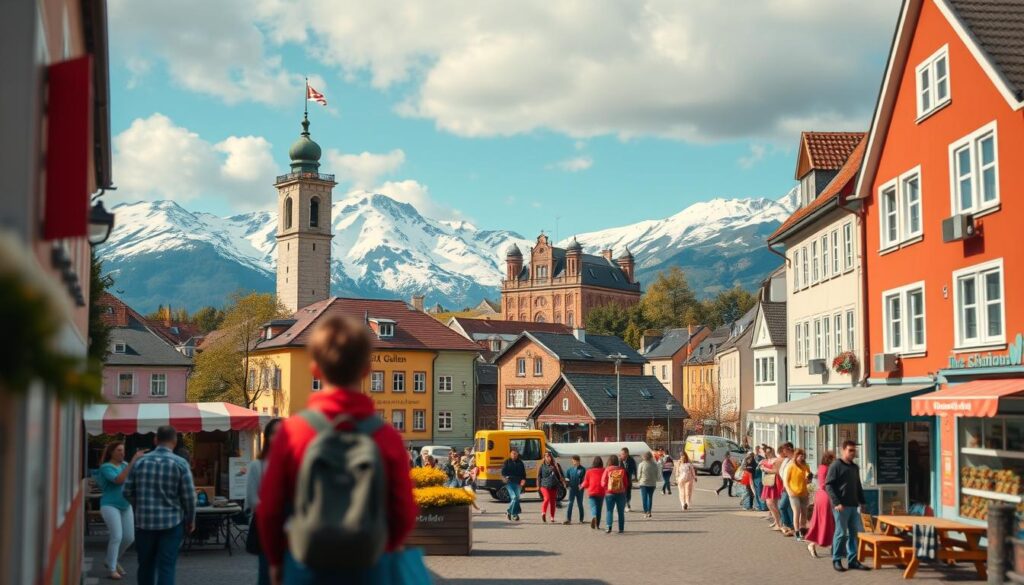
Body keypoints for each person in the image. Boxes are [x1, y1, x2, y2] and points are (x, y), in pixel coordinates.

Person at [256, 315, 417, 585]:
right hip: (370, 564)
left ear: (316, 370)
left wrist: (275, 560)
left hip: (306, 562)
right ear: (366, 370)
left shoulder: (293, 431)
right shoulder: (385, 435)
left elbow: (270, 508)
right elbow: (404, 510)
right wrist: (387, 547)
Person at [124, 426, 196, 585]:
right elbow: (190, 497)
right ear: (175, 441)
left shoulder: (140, 462)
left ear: (155, 440)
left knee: (145, 565)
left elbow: (126, 491)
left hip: (144, 524)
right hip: (172, 524)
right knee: (166, 566)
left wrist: (140, 505)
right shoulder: (181, 463)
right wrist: (190, 520)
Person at [96, 441, 144, 580]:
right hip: (109, 505)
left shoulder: (124, 465)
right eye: (118, 450)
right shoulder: (106, 467)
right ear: (111, 452)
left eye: (123, 450)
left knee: (129, 537)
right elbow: (119, 480)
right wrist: (133, 460)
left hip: (125, 505)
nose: (122, 453)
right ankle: (111, 568)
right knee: (117, 536)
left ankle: (112, 560)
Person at [246, 418, 282, 585]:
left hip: (291, 532)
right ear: (267, 437)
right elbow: (253, 499)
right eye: (275, 433)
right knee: (266, 576)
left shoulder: (296, 463)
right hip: (267, 529)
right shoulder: (257, 466)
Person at [825, 441, 869, 572]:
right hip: (841, 507)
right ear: (843, 450)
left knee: (853, 534)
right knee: (841, 533)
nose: (852, 453)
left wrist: (863, 501)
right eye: (850, 450)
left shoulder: (854, 467)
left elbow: (858, 485)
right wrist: (836, 502)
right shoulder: (836, 465)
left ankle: (853, 560)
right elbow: (829, 485)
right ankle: (836, 559)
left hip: (853, 505)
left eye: (854, 450)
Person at [805, 451, 837, 558]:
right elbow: (823, 484)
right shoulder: (824, 468)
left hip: (826, 496)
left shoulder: (826, 468)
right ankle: (813, 544)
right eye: (833, 458)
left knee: (829, 522)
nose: (835, 460)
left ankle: (832, 545)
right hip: (825, 497)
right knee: (824, 522)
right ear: (828, 459)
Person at [785, 448, 812, 540]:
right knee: (797, 512)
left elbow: (808, 480)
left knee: (804, 512)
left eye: (803, 456)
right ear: (796, 456)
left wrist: (809, 479)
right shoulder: (791, 466)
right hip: (793, 493)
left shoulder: (806, 466)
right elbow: (786, 481)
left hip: (803, 492)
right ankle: (796, 532)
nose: (802, 457)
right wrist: (789, 491)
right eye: (800, 455)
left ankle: (802, 530)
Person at [602, 455, 628, 533]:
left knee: (609, 510)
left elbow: (603, 483)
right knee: (621, 512)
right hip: (621, 493)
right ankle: (621, 528)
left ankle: (608, 527)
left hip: (609, 493)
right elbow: (626, 483)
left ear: (609, 461)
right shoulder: (622, 470)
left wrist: (607, 488)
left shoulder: (607, 470)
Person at [759, 446, 783, 530]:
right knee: (770, 504)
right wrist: (762, 466)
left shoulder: (776, 460)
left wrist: (765, 469)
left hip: (774, 482)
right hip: (768, 481)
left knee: (771, 503)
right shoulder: (766, 460)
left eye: (770, 451)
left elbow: (776, 471)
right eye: (767, 452)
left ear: (773, 451)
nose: (768, 453)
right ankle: (776, 521)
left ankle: (779, 522)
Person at [579, 456, 605, 529]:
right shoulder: (604, 470)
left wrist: (581, 486)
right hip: (601, 491)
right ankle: (598, 525)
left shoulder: (589, 471)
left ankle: (594, 516)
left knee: (593, 506)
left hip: (592, 491)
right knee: (599, 508)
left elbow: (586, 482)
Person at [537, 452, 564, 523]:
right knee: (547, 498)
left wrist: (562, 480)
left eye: (549, 456)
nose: (548, 458)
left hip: (553, 485)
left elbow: (560, 475)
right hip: (544, 485)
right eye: (546, 456)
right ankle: (543, 513)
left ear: (551, 457)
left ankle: (552, 517)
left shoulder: (556, 465)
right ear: (544, 458)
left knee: (553, 502)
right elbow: (539, 476)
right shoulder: (542, 466)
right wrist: (538, 486)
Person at [501, 448, 527, 522]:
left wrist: (523, 480)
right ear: (510, 454)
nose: (514, 455)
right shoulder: (507, 462)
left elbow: (523, 474)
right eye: (512, 453)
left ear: (518, 454)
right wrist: (504, 478)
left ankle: (510, 512)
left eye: (515, 453)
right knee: (514, 497)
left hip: (518, 483)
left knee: (517, 499)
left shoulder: (520, 463)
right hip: (510, 482)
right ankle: (513, 514)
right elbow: (503, 472)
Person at [776, 442, 796, 536]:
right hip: (784, 485)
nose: (783, 451)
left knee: (782, 506)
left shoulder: (794, 460)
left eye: (784, 449)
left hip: (790, 486)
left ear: (789, 449)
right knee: (788, 507)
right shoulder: (786, 459)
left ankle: (788, 525)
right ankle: (791, 526)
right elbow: (782, 471)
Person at [563, 455, 587, 525]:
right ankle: (568, 519)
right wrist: (566, 484)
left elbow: (583, 478)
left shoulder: (582, 469)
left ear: (578, 461)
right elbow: (567, 479)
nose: (573, 462)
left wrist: (581, 485)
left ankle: (581, 519)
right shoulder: (569, 470)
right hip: (572, 489)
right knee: (570, 503)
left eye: (574, 461)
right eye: (572, 461)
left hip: (579, 490)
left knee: (580, 504)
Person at [636, 451, 659, 518]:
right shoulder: (655, 464)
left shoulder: (641, 464)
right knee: (650, 497)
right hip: (652, 483)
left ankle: (645, 511)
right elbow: (657, 474)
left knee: (644, 498)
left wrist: (639, 479)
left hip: (643, 483)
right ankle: (649, 511)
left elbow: (639, 475)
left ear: (644, 457)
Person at [752, 445, 768, 512]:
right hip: (759, 476)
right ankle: (761, 506)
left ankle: (761, 506)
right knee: (760, 491)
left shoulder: (757, 457)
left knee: (759, 492)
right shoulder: (758, 457)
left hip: (758, 476)